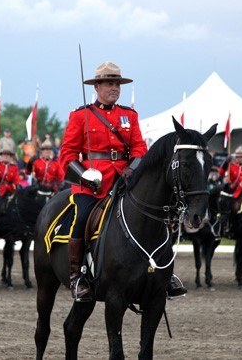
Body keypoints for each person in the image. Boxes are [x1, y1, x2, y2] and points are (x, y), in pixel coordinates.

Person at [58, 61, 185, 302]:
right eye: (109, 83)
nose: (114, 88)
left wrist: (132, 168)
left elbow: (139, 147)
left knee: (156, 214)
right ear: (96, 86)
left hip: (126, 181)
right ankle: (77, 277)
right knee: (82, 217)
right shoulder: (80, 115)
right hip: (93, 184)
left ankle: (164, 272)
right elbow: (67, 154)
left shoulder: (129, 115)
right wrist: (84, 176)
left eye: (117, 83)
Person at [219, 146, 242, 212]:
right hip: (232, 191)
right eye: (240, 156)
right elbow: (221, 172)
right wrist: (226, 162)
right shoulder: (230, 166)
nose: (241, 158)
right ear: (236, 157)